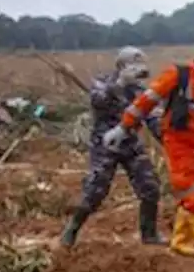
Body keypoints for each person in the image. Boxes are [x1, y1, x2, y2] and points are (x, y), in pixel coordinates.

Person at [105, 33, 194, 269]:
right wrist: (123, 128)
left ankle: (180, 240)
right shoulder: (178, 75)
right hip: (180, 145)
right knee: (193, 193)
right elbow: (146, 101)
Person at [60, 47, 164, 247]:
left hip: (131, 143)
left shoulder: (138, 90)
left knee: (150, 187)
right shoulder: (103, 83)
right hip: (105, 145)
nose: (139, 70)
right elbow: (97, 101)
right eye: (134, 65)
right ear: (121, 66)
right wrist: (119, 84)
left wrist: (167, 139)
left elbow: (151, 117)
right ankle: (72, 229)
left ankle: (149, 234)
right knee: (95, 190)